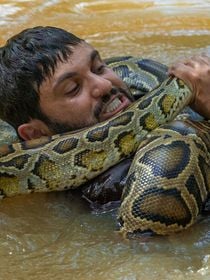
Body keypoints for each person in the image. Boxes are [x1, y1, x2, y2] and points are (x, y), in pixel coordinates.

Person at [0, 25, 209, 143]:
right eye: (73, 89)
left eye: (99, 67)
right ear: (36, 134)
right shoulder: (107, 195)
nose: (104, 85)